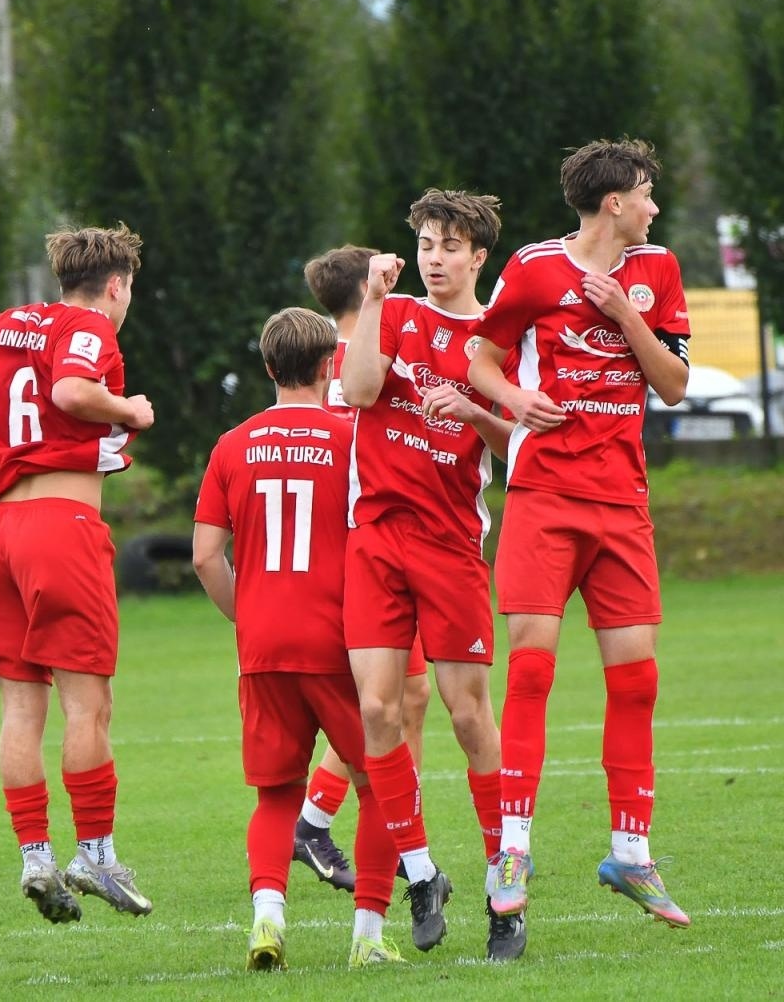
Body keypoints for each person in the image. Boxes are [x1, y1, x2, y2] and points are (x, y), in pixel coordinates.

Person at [468, 138, 693, 939]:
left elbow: (672, 384)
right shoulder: (532, 269)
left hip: (622, 504)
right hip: (545, 497)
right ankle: (514, 851)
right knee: (531, 671)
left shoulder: (656, 271)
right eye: (645, 194)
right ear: (613, 204)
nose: (654, 207)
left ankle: (631, 853)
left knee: (636, 682)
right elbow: (480, 356)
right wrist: (515, 399)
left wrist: (625, 312)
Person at [0, 224, 155, 923]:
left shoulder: (5, 326)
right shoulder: (91, 325)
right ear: (115, 285)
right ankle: (96, 853)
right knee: (88, 705)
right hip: (62, 527)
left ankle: (36, 858)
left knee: (20, 711)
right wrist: (130, 409)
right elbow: (72, 393)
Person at [193, 306, 407, 970]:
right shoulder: (353, 438)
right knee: (379, 785)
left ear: (266, 368)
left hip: (263, 645)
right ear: (328, 367)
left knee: (276, 793)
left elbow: (205, 555)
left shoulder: (232, 444)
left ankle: (267, 922)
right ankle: (367, 936)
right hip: (341, 640)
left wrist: (247, 613)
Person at [341, 188, 519, 958]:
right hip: (376, 538)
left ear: (479, 256)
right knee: (377, 713)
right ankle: (420, 871)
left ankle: (503, 887)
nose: (434, 258)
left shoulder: (496, 337)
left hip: (449, 545)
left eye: (449, 246)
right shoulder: (398, 313)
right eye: (425, 244)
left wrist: (475, 413)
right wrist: (375, 301)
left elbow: (522, 447)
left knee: (466, 712)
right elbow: (356, 391)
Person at [291, 246, 433, 894]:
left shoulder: (347, 356)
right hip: (372, 545)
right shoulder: (357, 360)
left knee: (402, 698)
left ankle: (326, 821)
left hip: (376, 542)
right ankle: (399, 846)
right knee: (386, 702)